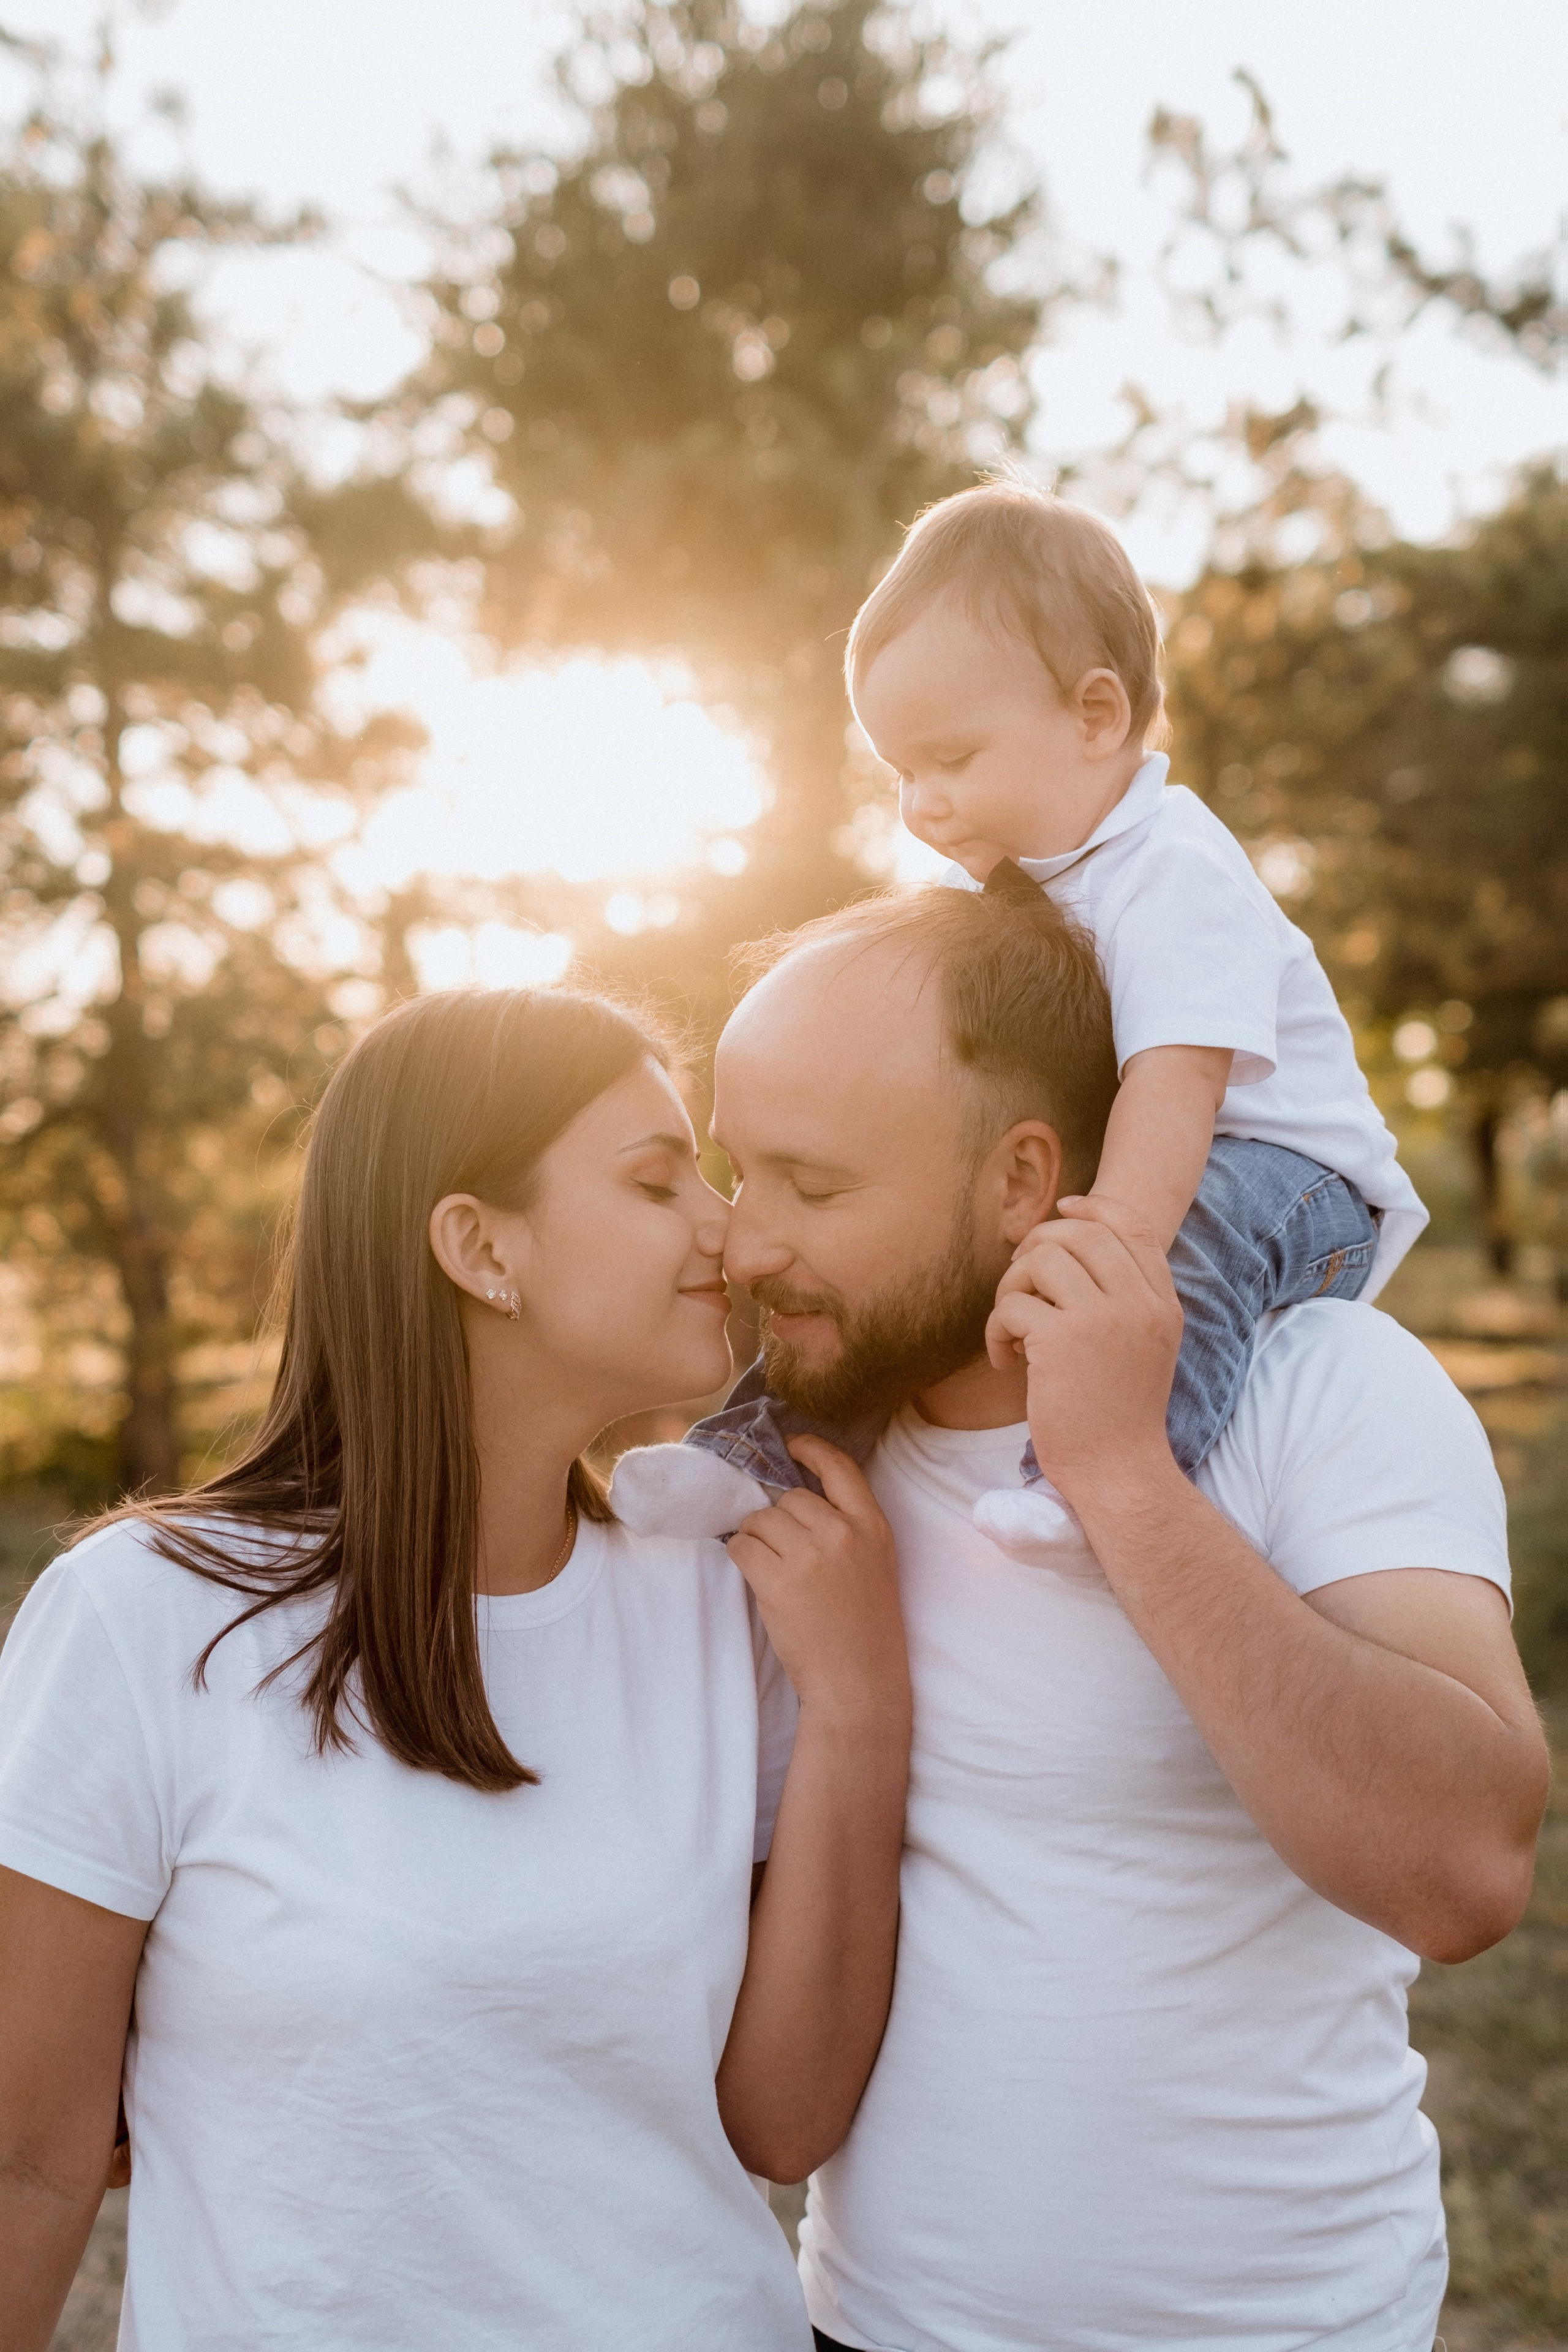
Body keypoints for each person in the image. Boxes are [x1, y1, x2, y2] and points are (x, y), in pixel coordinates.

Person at [697, 881, 1547, 2352]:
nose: (744, 1243)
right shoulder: (786, 1496)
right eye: (734, 1172)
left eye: (811, 1186)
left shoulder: (1321, 1383)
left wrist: (1115, 1482)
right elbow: (774, 2104)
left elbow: (1463, 1872)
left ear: (1023, 1181)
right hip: (879, 2329)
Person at [0, 986, 911, 2352]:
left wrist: (857, 1711)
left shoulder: (726, 1603)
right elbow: (30, 2163)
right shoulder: (143, 1620)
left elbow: (780, 2124)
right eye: (659, 1182)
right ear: (480, 1247)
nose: (727, 1229)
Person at [612, 481, 1427, 1556]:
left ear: (1095, 717)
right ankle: (751, 1461)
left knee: (1190, 1236)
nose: (922, 806)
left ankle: (1096, 1469)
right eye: (902, 773)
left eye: (951, 761)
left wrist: (1106, 1252)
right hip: (1158, 1152)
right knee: (873, 1270)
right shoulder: (1033, 890)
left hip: (1295, 1177)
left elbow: (1176, 1086)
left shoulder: (1173, 873)